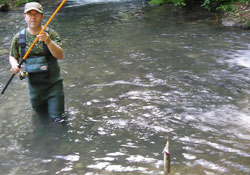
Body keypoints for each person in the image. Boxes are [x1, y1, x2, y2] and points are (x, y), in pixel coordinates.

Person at [9, 2, 65, 122]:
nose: (33, 17)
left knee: (58, 120)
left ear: (42, 16)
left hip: (54, 86)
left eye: (36, 14)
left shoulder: (51, 34)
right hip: (34, 89)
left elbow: (60, 56)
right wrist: (14, 65)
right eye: (30, 14)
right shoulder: (18, 38)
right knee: (41, 119)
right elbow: (13, 55)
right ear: (25, 16)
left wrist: (48, 41)